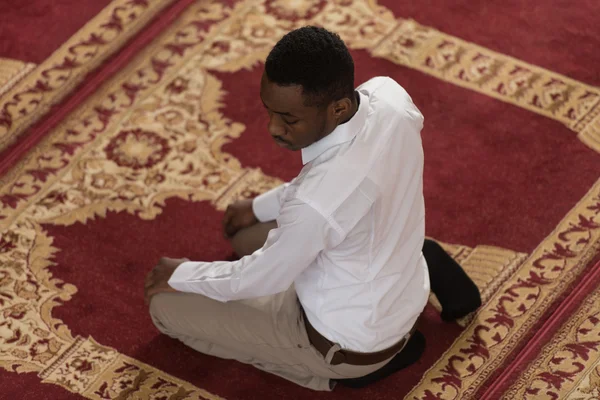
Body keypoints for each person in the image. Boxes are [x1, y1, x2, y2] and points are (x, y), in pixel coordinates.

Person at [144, 26, 481, 391]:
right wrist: (257, 208)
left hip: (348, 342)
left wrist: (180, 275)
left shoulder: (315, 203)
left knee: (165, 309)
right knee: (245, 236)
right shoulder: (389, 96)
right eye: (269, 111)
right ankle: (422, 255)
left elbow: (258, 277)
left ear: (337, 108)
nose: (273, 128)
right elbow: (338, 186)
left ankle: (345, 371)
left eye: (289, 119)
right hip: (398, 277)